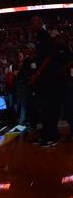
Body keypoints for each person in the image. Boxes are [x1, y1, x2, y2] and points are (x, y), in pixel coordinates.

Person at [29, 16, 61, 147]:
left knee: (49, 108)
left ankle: (52, 137)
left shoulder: (44, 36)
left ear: (40, 23)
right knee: (43, 108)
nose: (31, 25)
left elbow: (48, 57)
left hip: (48, 78)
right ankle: (45, 135)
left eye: (33, 23)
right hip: (43, 79)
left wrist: (38, 73)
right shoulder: (38, 37)